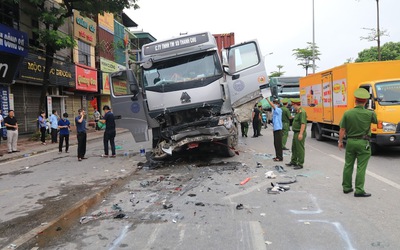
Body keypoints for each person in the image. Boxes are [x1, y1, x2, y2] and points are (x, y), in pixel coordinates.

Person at [338, 88, 377, 197]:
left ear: (355, 100)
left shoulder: (347, 113)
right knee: (361, 167)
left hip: (350, 142)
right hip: (363, 142)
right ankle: (359, 190)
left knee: (348, 165)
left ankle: (346, 187)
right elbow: (376, 121)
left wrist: (340, 141)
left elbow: (342, 130)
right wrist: (371, 110)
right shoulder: (369, 114)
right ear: (365, 101)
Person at [285, 99, 307, 169]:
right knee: (294, 148)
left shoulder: (302, 112)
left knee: (300, 148)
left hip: (299, 132)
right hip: (295, 132)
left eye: (293, 105)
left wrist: (301, 134)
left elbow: (303, 124)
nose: (292, 107)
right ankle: (293, 161)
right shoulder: (297, 112)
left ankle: (300, 163)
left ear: (295, 104)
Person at [267, 97, 283, 161]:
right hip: (276, 129)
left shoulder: (279, 110)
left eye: (276, 103)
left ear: (278, 104)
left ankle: (280, 157)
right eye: (274, 103)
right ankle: (277, 156)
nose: (275, 104)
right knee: (276, 144)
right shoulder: (275, 111)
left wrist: (267, 99)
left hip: (278, 129)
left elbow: (273, 106)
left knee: (278, 144)